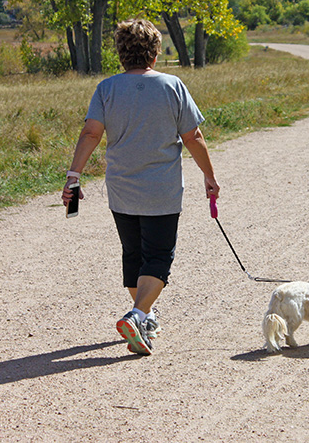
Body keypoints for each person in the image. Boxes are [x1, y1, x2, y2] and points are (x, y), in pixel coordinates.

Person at [62, 18, 220, 356]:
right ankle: (136, 314)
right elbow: (193, 137)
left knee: (134, 255)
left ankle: (145, 316)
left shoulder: (106, 88)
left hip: (121, 187)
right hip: (161, 189)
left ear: (120, 52)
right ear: (155, 51)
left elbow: (91, 133)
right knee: (159, 257)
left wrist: (73, 176)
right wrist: (209, 175)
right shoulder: (172, 86)